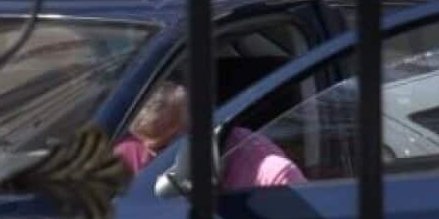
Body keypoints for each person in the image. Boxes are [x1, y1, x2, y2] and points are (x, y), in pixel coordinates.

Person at [115, 82, 306, 190]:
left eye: (171, 147)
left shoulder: (271, 175)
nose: (163, 159)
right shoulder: (127, 154)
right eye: (156, 150)